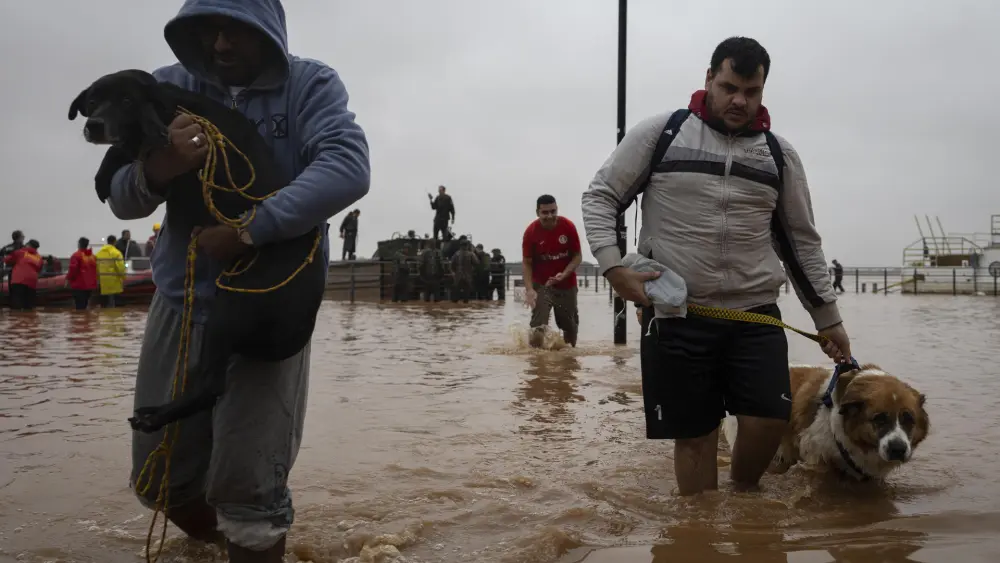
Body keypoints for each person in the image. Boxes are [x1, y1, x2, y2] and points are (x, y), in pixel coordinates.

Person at [101, 1, 371, 561]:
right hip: (181, 305)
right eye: (207, 32)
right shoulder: (165, 86)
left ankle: (253, 542)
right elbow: (120, 197)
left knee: (250, 492)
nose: (220, 46)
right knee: (158, 481)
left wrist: (248, 228)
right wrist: (161, 167)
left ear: (268, 33)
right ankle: (231, 548)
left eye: (235, 32)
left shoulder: (310, 85)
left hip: (269, 310)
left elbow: (347, 167)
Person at [580, 36, 851, 496]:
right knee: (695, 437)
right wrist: (612, 268)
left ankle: (744, 499)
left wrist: (829, 320)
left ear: (763, 90)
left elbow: (802, 243)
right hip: (677, 316)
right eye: (729, 87)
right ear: (708, 79)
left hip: (755, 313)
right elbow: (601, 196)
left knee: (769, 419)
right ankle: (700, 529)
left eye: (751, 91)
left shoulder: (779, 156)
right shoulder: (661, 134)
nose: (739, 100)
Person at [522, 194, 582, 348]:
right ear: (538, 213)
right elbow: (527, 263)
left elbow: (577, 256)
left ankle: (568, 361)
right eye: (545, 213)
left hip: (566, 283)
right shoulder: (531, 232)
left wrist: (564, 274)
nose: (550, 216)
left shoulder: (568, 226)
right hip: (542, 284)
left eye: (553, 211)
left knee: (569, 325)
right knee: (537, 326)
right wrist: (529, 289)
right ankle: (536, 362)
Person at [3, 239, 42, 310]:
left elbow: (7, 260)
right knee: (29, 308)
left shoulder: (21, 252)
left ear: (28, 245)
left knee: (16, 308)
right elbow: (39, 269)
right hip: (32, 282)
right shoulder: (39, 257)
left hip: (19, 280)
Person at [67, 237, 99, 310]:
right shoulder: (92, 257)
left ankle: (81, 321)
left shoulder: (76, 256)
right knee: (85, 306)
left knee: (79, 308)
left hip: (79, 285)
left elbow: (73, 270)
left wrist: (68, 279)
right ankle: (86, 320)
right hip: (90, 286)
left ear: (79, 244)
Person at [96, 235, 126, 307]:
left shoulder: (99, 253)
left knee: (104, 304)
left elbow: (96, 267)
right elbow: (120, 267)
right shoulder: (116, 253)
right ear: (115, 242)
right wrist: (123, 277)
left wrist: (97, 278)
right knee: (117, 303)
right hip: (114, 280)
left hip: (103, 280)